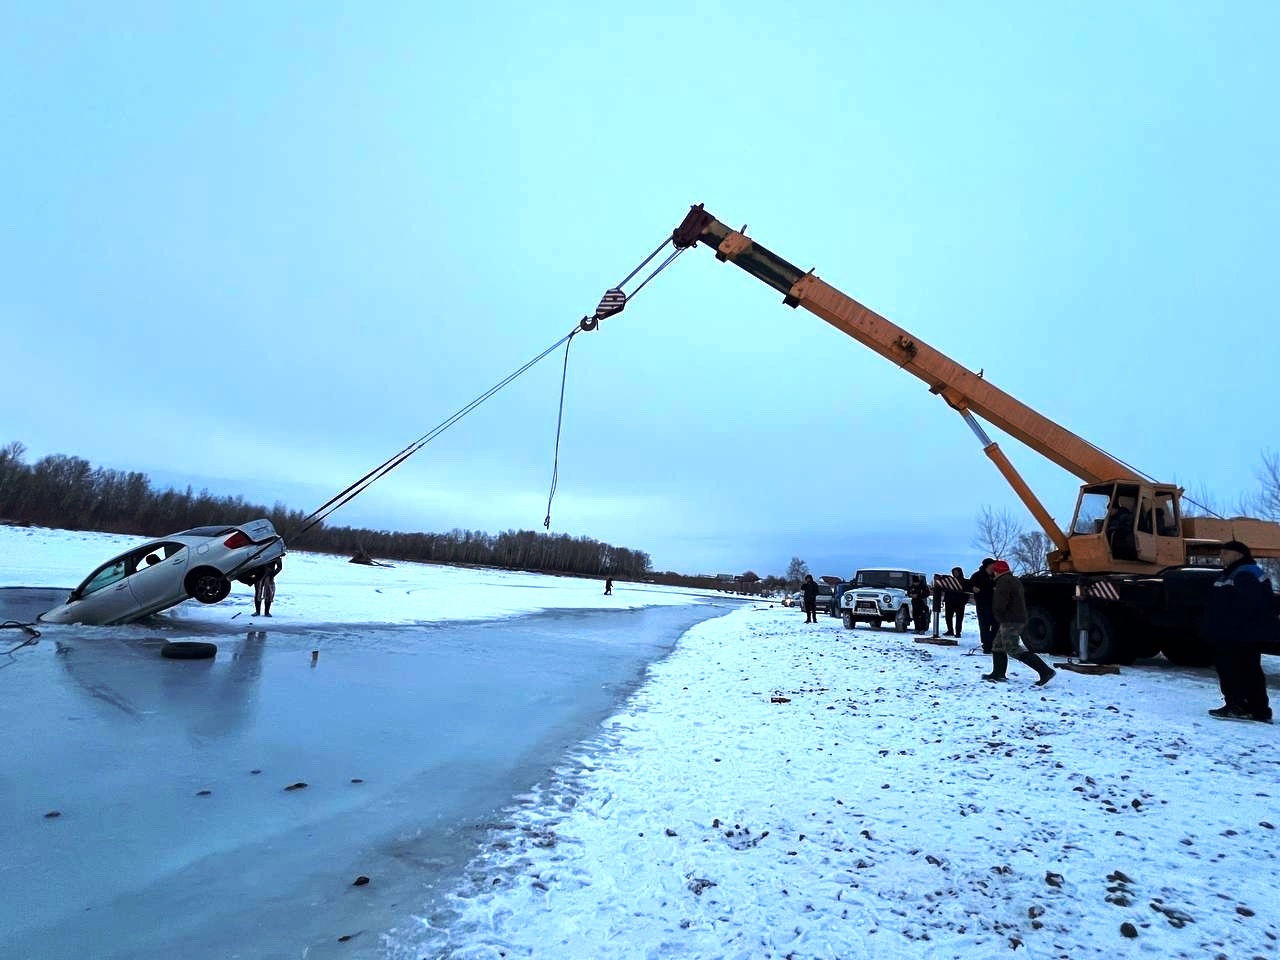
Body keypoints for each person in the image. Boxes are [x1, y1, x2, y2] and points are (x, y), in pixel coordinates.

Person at [1202, 540, 1274, 723]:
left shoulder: (1243, 574)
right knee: (1248, 670)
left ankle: (1238, 706)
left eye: (1225, 553)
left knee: (1234, 669)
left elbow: (1247, 605)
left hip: (1236, 634)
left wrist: (1223, 626)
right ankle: (1257, 709)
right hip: (1239, 632)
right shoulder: (1239, 572)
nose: (1221, 557)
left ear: (1238, 555)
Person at [983, 560, 1056, 686]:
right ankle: (998, 673)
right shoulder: (1014, 580)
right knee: (998, 645)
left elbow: (1000, 603)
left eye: (994, 571)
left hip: (1010, 619)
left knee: (1012, 648)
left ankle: (1045, 671)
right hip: (1016, 618)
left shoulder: (1003, 582)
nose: (992, 573)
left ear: (998, 571)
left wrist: (998, 615)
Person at [969, 558, 998, 653]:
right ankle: (986, 645)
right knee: (984, 625)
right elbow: (969, 585)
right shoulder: (977, 575)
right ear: (987, 565)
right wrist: (973, 588)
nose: (994, 566)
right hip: (982, 603)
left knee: (996, 624)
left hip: (994, 603)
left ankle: (993, 643)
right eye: (992, 564)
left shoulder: (995, 575)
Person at [943, 566, 968, 637]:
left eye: (956, 572)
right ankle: (950, 630)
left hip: (960, 603)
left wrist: (964, 601)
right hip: (949, 602)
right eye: (954, 572)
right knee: (948, 617)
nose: (955, 574)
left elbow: (967, 593)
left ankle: (958, 632)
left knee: (959, 618)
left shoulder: (964, 582)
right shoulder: (949, 581)